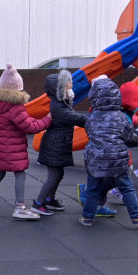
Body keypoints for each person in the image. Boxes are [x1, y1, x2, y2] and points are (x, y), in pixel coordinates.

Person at [80, 76, 138, 228]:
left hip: (95, 158)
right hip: (117, 160)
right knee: (127, 188)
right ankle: (137, 216)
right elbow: (129, 138)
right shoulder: (121, 117)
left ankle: (87, 217)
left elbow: (90, 134)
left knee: (93, 189)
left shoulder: (90, 117)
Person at [0, 64, 52, 220]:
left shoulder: (0, 105)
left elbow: (22, 121)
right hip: (11, 148)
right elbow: (30, 126)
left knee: (0, 171)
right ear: (17, 90)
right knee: (20, 173)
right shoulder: (15, 108)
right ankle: (20, 207)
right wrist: (48, 120)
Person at [32, 70, 85, 216]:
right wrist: (92, 119)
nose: (71, 86)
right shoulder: (58, 106)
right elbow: (75, 118)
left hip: (58, 143)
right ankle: (38, 203)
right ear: (61, 89)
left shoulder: (62, 102)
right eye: (69, 85)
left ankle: (50, 199)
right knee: (53, 175)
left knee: (59, 173)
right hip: (54, 145)